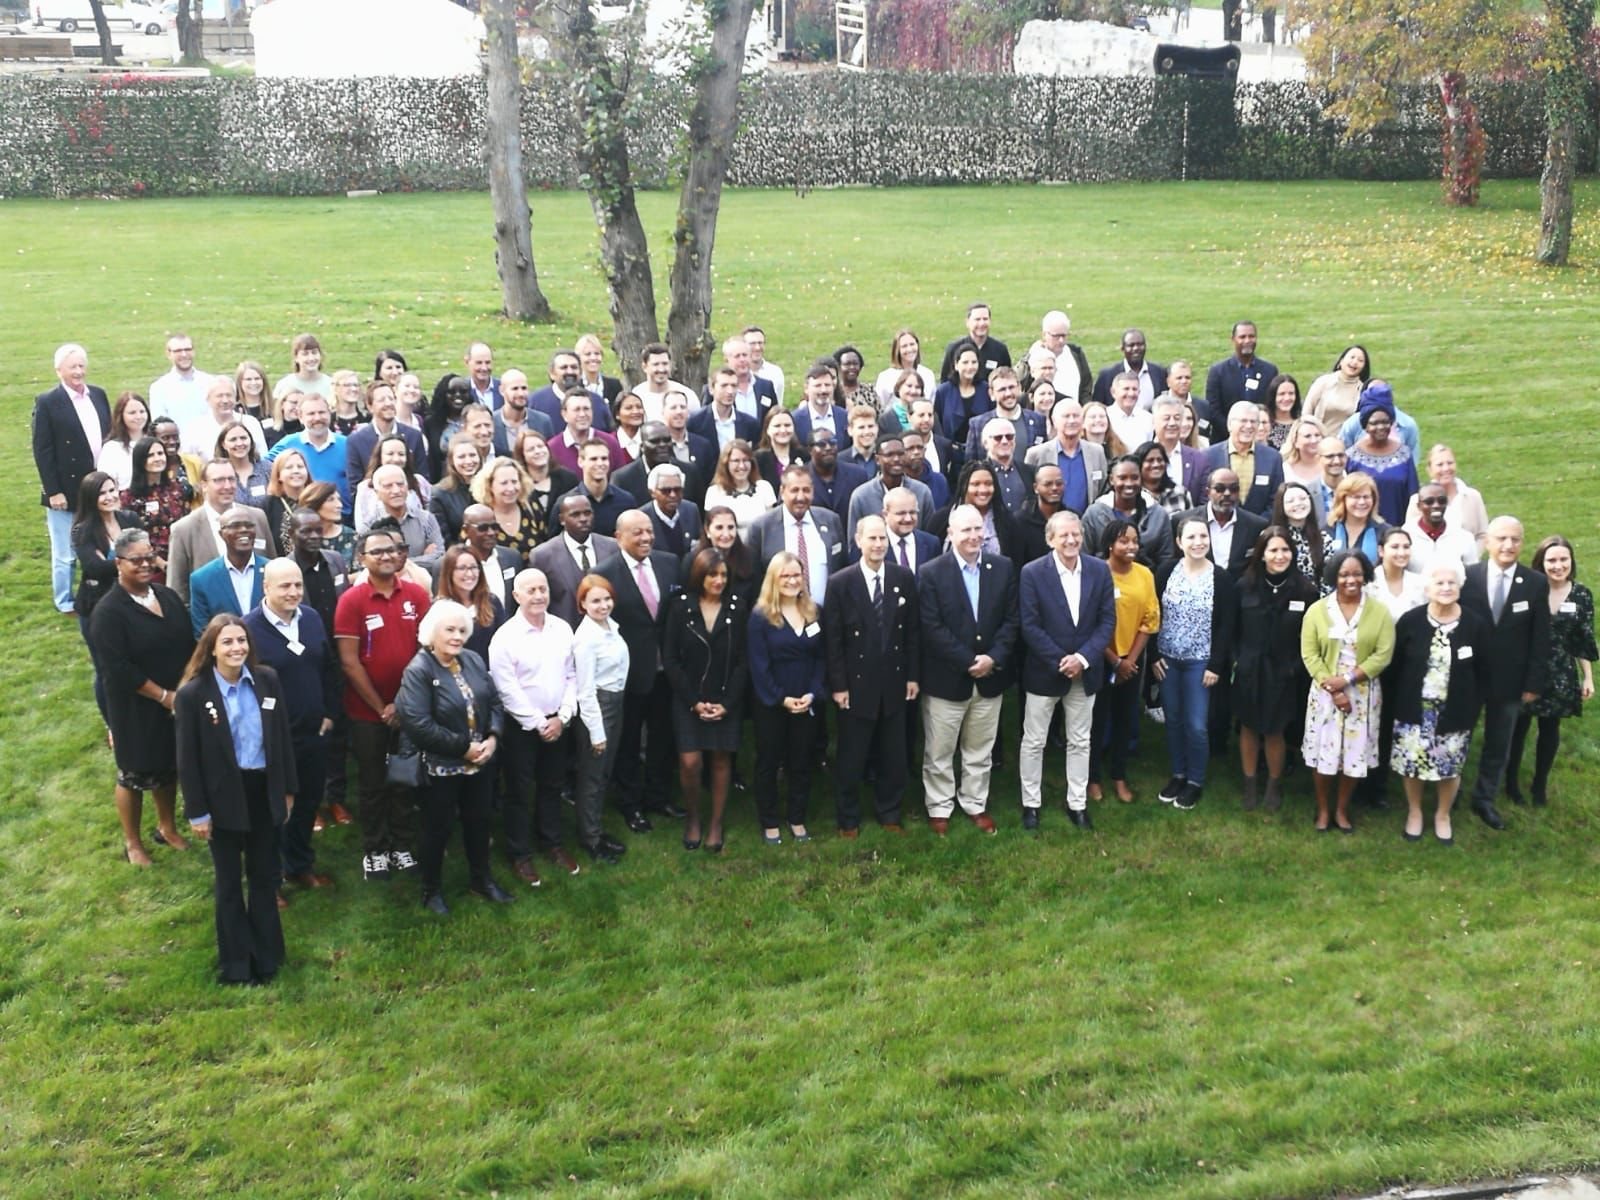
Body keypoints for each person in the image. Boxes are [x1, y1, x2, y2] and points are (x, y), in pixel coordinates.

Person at [176, 616, 298, 983]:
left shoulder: (267, 681)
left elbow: (282, 738)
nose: (236, 649)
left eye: (241, 641)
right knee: (229, 883)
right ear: (211, 648)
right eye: (227, 642)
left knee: (264, 877)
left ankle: (267, 957)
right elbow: (187, 759)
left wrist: (287, 789)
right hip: (221, 799)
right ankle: (236, 964)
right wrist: (197, 812)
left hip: (262, 790)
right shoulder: (193, 695)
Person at [396, 600, 513, 914]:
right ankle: (430, 890)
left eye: (463, 630)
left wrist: (492, 737)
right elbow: (418, 724)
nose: (457, 636)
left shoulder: (473, 659)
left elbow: (496, 704)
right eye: (450, 629)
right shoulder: (418, 670)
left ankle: (481, 880)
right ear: (431, 632)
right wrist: (463, 747)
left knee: (479, 822)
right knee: (437, 828)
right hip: (441, 767)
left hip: (480, 763)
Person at [90, 530, 196, 866]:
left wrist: (184, 689)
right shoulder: (108, 612)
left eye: (149, 556)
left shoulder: (165, 596)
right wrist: (163, 696)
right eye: (136, 560)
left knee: (168, 766)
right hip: (135, 706)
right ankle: (133, 842)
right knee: (134, 773)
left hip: (175, 699)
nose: (146, 564)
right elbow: (117, 668)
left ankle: (167, 827)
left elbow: (187, 643)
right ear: (118, 564)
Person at [334, 526, 431, 881]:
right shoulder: (351, 601)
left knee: (404, 779)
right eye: (377, 552)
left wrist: (404, 704)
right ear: (362, 559)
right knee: (373, 783)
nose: (386, 556)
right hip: (367, 714)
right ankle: (375, 849)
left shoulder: (418, 596)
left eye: (391, 550)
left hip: (410, 710)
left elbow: (427, 653)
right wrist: (381, 708)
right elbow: (348, 661)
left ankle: (403, 844)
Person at [917, 504, 1019, 835]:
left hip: (990, 677)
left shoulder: (1002, 568)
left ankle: (975, 803)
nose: (974, 536)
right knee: (940, 749)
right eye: (966, 530)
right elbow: (931, 627)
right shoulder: (932, 572)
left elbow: (1011, 621)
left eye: (979, 529)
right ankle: (940, 805)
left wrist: (993, 657)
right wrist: (967, 661)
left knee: (980, 747)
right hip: (948, 679)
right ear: (950, 533)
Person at [1378, 559, 1492, 844]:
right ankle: (1414, 812)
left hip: (1456, 712)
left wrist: (1473, 706)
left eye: (1452, 582)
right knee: (1412, 765)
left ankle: (1443, 815)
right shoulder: (1411, 622)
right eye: (1439, 583)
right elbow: (1394, 669)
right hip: (1413, 710)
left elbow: (1485, 671)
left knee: (1449, 767)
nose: (1446, 587)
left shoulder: (1475, 625)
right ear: (1426, 588)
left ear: (1460, 587)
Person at [245, 559, 340, 892]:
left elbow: (328, 667)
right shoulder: (249, 630)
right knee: (272, 813)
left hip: (313, 733)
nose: (293, 592)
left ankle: (300, 865)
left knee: (307, 804)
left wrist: (329, 711)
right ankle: (269, 881)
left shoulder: (311, 619)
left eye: (297, 584)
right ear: (266, 588)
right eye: (284, 585)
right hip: (272, 739)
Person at [1018, 511, 1117, 828]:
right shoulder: (1032, 573)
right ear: (1050, 539)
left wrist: (1083, 659)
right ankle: (1030, 803)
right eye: (1064, 535)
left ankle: (1077, 803)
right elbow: (1030, 626)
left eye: (1076, 534)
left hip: (1085, 672)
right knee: (1034, 741)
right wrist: (1061, 660)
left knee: (1080, 740)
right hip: (1045, 671)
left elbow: (1107, 622)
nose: (1072, 540)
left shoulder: (1100, 570)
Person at [825, 515, 920, 837]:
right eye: (872, 539)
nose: (878, 544)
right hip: (856, 684)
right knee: (852, 756)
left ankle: (889, 813)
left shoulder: (903, 578)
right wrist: (838, 685)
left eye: (883, 539)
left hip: (894, 682)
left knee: (894, 755)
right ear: (858, 541)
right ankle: (848, 818)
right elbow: (833, 640)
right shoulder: (841, 582)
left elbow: (913, 634)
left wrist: (912, 676)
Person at [489, 568, 579, 884]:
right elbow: (506, 688)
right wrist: (540, 723)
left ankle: (551, 843)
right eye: (531, 590)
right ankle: (519, 853)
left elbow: (572, 675)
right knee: (518, 790)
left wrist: (563, 716)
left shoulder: (562, 629)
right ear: (516, 596)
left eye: (543, 589)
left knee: (552, 785)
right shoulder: (505, 637)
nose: (539, 595)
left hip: (558, 720)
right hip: (522, 728)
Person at [597, 510, 686, 832]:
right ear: (618, 536)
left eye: (649, 531)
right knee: (630, 743)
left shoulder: (669, 562)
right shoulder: (605, 573)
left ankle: (659, 796)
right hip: (631, 674)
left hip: (668, 672)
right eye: (638, 533)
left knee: (663, 738)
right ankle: (631, 805)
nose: (646, 538)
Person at [1462, 516, 1552, 829]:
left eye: (1514, 539)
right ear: (1487, 541)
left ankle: (1484, 799)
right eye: (1501, 538)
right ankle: (1452, 792)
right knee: (1461, 737)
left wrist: (1533, 683)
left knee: (1499, 743)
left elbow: (1541, 638)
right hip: (1470, 677)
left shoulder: (1535, 583)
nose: (1507, 545)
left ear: (1522, 544)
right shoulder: (1468, 577)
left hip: (1512, 681)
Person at [1300, 551, 1396, 832]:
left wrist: (1348, 680)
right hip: (1325, 695)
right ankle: (1323, 809)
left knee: (1353, 755)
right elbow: (1309, 654)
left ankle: (1342, 809)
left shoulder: (1379, 612)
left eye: (1356, 573)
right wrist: (1333, 687)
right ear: (1333, 577)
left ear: (1365, 575)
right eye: (1343, 574)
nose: (1350, 579)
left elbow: (1383, 654)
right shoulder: (1317, 611)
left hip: (1362, 696)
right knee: (1324, 753)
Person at [662, 549, 747, 852]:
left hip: (726, 697)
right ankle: (694, 818)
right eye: (713, 575)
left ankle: (715, 823)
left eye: (724, 575)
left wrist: (727, 702)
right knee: (690, 762)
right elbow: (670, 659)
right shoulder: (679, 608)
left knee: (722, 759)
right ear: (699, 576)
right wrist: (693, 702)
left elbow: (743, 660)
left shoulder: (738, 608)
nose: (719, 581)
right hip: (689, 698)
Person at [1152, 517, 1238, 811]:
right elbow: (1152, 615)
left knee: (1197, 725)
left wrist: (1216, 664)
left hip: (1200, 662)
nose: (1198, 542)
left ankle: (1195, 781)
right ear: (1179, 542)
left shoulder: (1222, 578)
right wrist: (1153, 655)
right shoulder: (1165, 572)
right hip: (1168, 660)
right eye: (1191, 537)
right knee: (1173, 720)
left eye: (1203, 536)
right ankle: (1178, 774)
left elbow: (1227, 625)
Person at [1506, 536, 1597, 806]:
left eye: (1563, 559)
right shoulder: (1530, 589)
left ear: (1571, 561)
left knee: (1550, 727)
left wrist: (1588, 677)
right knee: (1518, 727)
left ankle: (1539, 786)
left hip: (1560, 673)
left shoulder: (1581, 595)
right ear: (1541, 563)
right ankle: (1510, 781)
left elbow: (1582, 639)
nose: (1558, 566)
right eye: (1552, 560)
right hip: (1527, 669)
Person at [1232, 526, 1318, 812]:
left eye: (1285, 550)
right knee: (1248, 726)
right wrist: (1238, 660)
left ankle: (1273, 785)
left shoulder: (1305, 591)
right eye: (1273, 550)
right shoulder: (1245, 586)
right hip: (1250, 669)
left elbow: (1310, 636)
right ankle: (1249, 782)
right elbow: (1232, 630)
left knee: (1274, 730)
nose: (1280, 556)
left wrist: (1294, 669)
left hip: (1284, 673)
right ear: (1262, 554)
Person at [747, 553, 825, 845]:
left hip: (807, 699)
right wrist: (782, 698)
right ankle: (769, 821)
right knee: (768, 761)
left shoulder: (814, 611)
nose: (792, 581)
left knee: (801, 762)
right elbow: (759, 664)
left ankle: (797, 817)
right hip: (772, 702)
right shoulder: (760, 616)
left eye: (797, 575)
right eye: (785, 576)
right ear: (774, 580)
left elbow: (821, 657)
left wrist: (813, 693)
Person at [34, 343, 112, 614]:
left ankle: (104, 591)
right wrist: (54, 490)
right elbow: (42, 450)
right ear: (59, 371)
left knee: (102, 541)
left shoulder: (99, 395)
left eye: (81, 366)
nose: (78, 372)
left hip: (99, 486)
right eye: (72, 367)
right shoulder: (47, 402)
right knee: (65, 551)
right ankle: (65, 600)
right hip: (66, 490)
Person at [1090, 519, 1160, 804]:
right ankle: (1092, 778)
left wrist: (1129, 661)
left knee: (1125, 719)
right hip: (1100, 657)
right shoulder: (1097, 573)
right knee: (1095, 721)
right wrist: (1114, 661)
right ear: (1110, 544)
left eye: (1134, 540)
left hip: (1132, 660)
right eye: (1123, 541)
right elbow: (1091, 622)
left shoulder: (1145, 574)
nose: (1131, 546)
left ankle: (1119, 775)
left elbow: (1150, 619)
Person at [566, 574, 631, 864]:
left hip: (615, 702)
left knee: (604, 772)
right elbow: (585, 690)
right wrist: (596, 731)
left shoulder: (610, 627)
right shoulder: (586, 639)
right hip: (598, 707)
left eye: (607, 598)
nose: (603, 605)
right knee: (592, 776)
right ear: (582, 604)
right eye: (595, 601)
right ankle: (590, 839)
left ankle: (596, 828)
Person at [73, 471, 141, 723]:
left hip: (131, 601)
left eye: (112, 490)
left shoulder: (130, 518)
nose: (109, 496)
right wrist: (132, 560)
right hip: (96, 607)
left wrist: (122, 561)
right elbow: (95, 568)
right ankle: (113, 723)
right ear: (91, 498)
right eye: (102, 493)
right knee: (106, 670)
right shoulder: (83, 530)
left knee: (134, 662)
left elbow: (144, 552)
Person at [165, 458, 275, 603]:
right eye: (219, 480)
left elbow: (274, 567)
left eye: (231, 479)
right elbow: (177, 587)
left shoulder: (257, 517)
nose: (227, 486)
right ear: (203, 485)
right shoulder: (184, 529)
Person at [745, 464, 847, 606]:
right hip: (780, 618)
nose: (801, 497)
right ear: (782, 491)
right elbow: (753, 581)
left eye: (806, 490)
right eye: (794, 490)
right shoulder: (761, 528)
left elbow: (842, 568)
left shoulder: (831, 521)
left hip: (827, 616)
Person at [531, 493, 620, 626]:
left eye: (587, 513)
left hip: (608, 631)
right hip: (565, 634)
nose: (583, 519)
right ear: (562, 519)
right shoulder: (542, 556)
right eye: (575, 515)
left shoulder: (613, 547)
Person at [1082, 455, 1175, 571]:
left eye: (1135, 478)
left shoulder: (1158, 514)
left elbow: (1166, 558)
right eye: (1122, 478)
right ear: (1112, 480)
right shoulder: (1094, 514)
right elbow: (1084, 556)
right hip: (1104, 582)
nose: (1129, 483)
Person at [187, 507, 270, 636]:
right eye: (235, 526)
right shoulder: (202, 579)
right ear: (221, 534)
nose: (243, 530)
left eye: (249, 525)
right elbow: (202, 633)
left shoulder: (273, 570)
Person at [1345, 383, 1419, 526]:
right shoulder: (1352, 457)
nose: (1381, 427)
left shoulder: (1404, 455)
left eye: (1385, 422)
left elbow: (1413, 497)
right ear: (1365, 425)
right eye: (1374, 423)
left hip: (1397, 531)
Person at [1023, 399, 1107, 516]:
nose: (1071, 420)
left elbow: (1102, 490)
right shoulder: (1036, 454)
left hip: (1087, 525)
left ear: (1082, 420)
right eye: (1066, 416)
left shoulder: (1097, 452)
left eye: (1076, 416)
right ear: (1054, 421)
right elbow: (1029, 495)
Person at [1199, 402, 1283, 516]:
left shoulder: (1273, 458)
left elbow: (1276, 501)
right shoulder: (1208, 456)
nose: (1249, 426)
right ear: (1229, 425)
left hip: (1261, 529)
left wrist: (1258, 525)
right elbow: (1204, 496)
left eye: (1253, 421)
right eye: (1243, 421)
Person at [928, 461, 1021, 564]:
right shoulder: (941, 520)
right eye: (976, 484)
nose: (983, 490)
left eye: (988, 484)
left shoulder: (1009, 522)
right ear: (964, 486)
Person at [1403, 444, 1489, 550]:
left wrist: (1472, 557)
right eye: (1440, 465)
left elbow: (1483, 534)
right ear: (1429, 470)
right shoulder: (1417, 500)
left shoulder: (1472, 496)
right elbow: (1409, 536)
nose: (1446, 468)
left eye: (1450, 463)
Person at [434, 544, 507, 661]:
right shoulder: (439, 608)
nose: (469, 574)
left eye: (473, 567)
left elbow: (504, 642)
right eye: (462, 568)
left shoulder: (492, 602)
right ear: (449, 572)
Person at [556, 439, 637, 538]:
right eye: (593, 459)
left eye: (604, 458)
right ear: (580, 462)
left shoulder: (626, 500)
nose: (600, 463)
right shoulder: (565, 503)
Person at [182, 376, 268, 464]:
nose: (225, 400)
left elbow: (263, 458)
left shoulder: (251, 423)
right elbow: (188, 462)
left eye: (229, 395)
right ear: (208, 399)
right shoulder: (194, 428)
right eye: (219, 396)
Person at [1204, 320, 1279, 419]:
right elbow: (1213, 409)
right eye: (1242, 337)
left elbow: (1273, 406)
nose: (1247, 341)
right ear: (1233, 339)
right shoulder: (1218, 372)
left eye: (1251, 336)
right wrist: (1233, 430)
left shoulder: (1270, 371)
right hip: (1227, 432)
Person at [473, 455, 542, 562]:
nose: (511, 488)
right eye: (504, 483)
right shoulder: (479, 516)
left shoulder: (531, 508)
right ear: (489, 485)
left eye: (514, 481)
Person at [1404, 482, 1478, 577]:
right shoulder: (1406, 536)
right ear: (1419, 506)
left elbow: (1473, 575)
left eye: (1442, 501)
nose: (1436, 505)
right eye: (1429, 502)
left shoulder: (1464, 537)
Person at [702, 439, 775, 533]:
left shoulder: (764, 488)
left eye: (745, 460)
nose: (741, 466)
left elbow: (772, 526)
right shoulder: (715, 492)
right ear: (726, 464)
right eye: (736, 461)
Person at [1273, 481, 1331, 590]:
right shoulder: (1273, 538)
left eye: (1303, 499)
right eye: (1290, 501)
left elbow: (1327, 580)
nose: (1298, 503)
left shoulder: (1324, 539)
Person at [149, 331, 214, 429]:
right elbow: (159, 426)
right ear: (168, 354)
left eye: (187, 349)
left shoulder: (210, 383)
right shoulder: (159, 388)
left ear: (194, 351)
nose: (184, 354)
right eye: (178, 351)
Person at [933, 338, 990, 447]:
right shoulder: (943, 391)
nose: (970, 367)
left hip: (981, 450)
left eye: (974, 362)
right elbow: (937, 423)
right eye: (965, 362)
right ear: (956, 365)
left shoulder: (986, 390)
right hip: (952, 451)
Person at [939, 300, 1011, 385]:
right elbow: (945, 382)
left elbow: (1007, 380)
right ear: (967, 322)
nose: (982, 323)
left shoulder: (1000, 350)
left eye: (985, 319)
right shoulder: (954, 349)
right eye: (977, 319)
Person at [428, 433, 483, 545]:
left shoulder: (491, 486)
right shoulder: (439, 494)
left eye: (472, 455)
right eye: (461, 457)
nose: (468, 461)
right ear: (451, 460)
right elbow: (442, 538)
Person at [1324, 472, 1387, 567]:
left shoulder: (1385, 532)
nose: (1362, 502)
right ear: (1343, 499)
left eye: (1366, 497)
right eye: (1356, 497)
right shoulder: (1327, 531)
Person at [1303, 344, 1371, 433]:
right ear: (1341, 361)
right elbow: (1306, 412)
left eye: (1360, 360)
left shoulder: (1363, 391)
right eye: (1352, 357)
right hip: (1316, 439)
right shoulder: (1323, 382)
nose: (1355, 362)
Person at [98, 392, 154, 490]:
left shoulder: (155, 443)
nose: (138, 417)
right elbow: (106, 485)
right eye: (132, 413)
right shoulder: (111, 449)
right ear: (121, 415)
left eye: (142, 411)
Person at [261, 449, 311, 554]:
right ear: (278, 475)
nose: (296, 471)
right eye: (289, 467)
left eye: (300, 467)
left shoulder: (317, 500)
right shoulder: (268, 505)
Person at [874, 328, 937, 409]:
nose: (909, 349)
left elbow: (931, 404)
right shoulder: (886, 377)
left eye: (912, 344)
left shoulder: (927, 374)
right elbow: (879, 407)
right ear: (897, 350)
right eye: (904, 346)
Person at [755, 406, 807, 491]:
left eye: (787, 425)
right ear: (767, 429)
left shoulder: (804, 456)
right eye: (777, 426)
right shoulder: (758, 459)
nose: (783, 430)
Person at [272, 333, 332, 406]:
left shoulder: (330, 384)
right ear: (296, 358)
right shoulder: (285, 384)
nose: (311, 358)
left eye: (314, 353)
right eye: (305, 354)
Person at [1281, 417, 1327, 490]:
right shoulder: (1285, 470)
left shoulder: (1331, 464)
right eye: (1307, 436)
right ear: (1295, 441)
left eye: (1317, 435)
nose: (1314, 440)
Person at [1258, 373, 1302, 450]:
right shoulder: (1263, 423)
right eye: (1282, 394)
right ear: (1273, 396)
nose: (1287, 398)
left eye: (1291, 393)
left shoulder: (1302, 423)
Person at [609, 389, 646, 463]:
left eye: (639, 407)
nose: (636, 411)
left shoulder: (650, 439)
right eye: (629, 408)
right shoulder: (609, 442)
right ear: (617, 414)